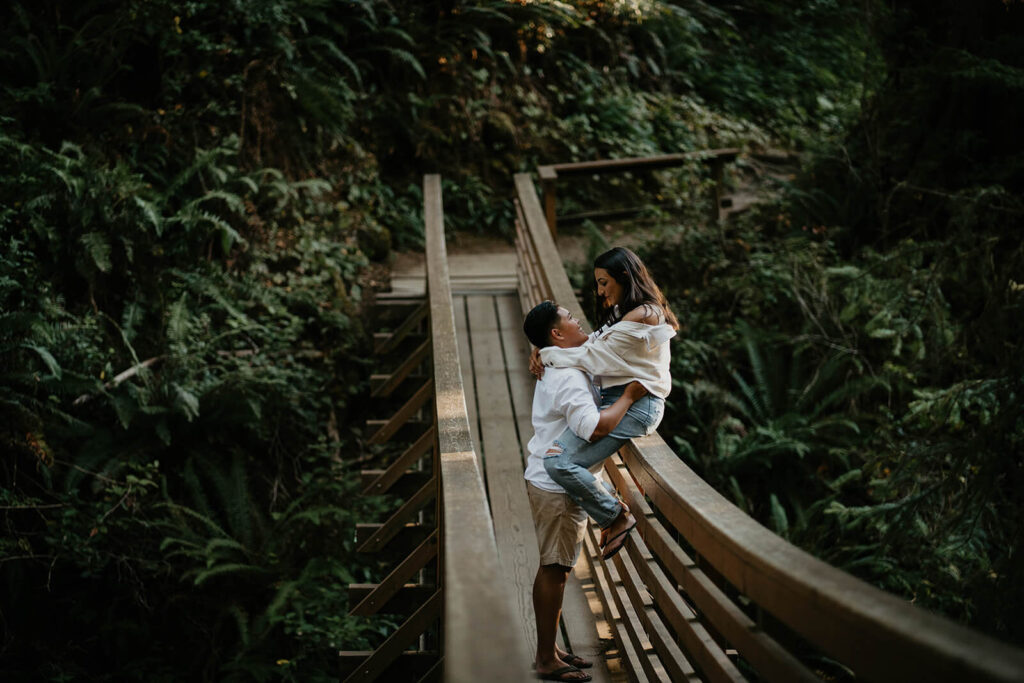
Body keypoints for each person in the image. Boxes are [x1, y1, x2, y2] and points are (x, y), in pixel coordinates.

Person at [522, 300, 648, 683]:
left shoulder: (560, 359)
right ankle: (545, 658)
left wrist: (537, 348)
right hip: (556, 486)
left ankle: (550, 648)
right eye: (571, 319)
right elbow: (593, 428)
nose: (581, 322)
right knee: (555, 569)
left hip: (548, 477)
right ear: (558, 334)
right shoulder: (567, 378)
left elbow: (596, 342)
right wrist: (630, 395)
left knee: (553, 566)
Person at [530, 247, 679, 560]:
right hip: (617, 400)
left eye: (603, 282)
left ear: (624, 277)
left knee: (558, 462)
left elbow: (594, 358)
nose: (599, 291)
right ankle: (612, 512)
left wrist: (547, 351)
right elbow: (595, 342)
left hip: (638, 403)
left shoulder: (644, 315)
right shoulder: (624, 311)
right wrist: (542, 346)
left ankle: (614, 515)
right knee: (557, 458)